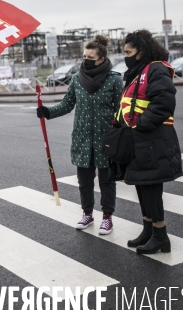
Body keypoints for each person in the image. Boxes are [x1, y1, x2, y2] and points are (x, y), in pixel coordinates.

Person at [36, 35, 123, 235]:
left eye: (90, 57)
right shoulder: (77, 79)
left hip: (106, 139)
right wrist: (48, 112)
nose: (86, 60)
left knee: (106, 181)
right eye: (84, 56)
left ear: (101, 59)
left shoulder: (114, 80)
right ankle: (87, 213)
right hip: (83, 138)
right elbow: (67, 104)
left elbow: (121, 110)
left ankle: (107, 217)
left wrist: (121, 133)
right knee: (84, 181)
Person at [119, 30, 182, 254]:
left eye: (129, 52)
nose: (125, 56)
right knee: (142, 185)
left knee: (152, 187)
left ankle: (161, 235)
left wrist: (142, 124)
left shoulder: (156, 68)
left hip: (152, 138)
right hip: (139, 139)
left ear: (141, 51)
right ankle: (148, 230)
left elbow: (164, 102)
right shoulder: (137, 71)